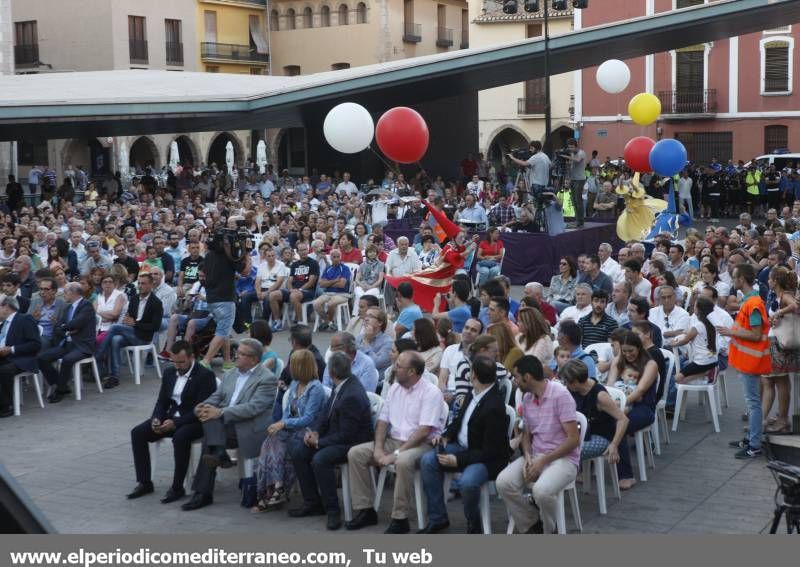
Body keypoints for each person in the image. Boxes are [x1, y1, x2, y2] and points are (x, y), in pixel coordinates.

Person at [345, 351, 444, 534]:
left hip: (420, 445)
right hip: (394, 440)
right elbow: (383, 421)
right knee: (356, 453)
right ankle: (365, 509)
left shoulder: (431, 393)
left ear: (412, 371)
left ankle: (400, 518)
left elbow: (423, 431)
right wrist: (379, 449)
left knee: (403, 461)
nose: (394, 368)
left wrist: (394, 455)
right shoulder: (394, 388)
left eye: (399, 366)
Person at [182, 339, 278, 511]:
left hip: (249, 427)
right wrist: (201, 408)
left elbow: (253, 408)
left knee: (210, 432)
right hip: (225, 426)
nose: (235, 356)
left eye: (241, 354)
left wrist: (221, 412)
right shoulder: (230, 374)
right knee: (210, 422)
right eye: (237, 352)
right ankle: (219, 454)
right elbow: (216, 398)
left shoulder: (267, 379)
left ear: (254, 360)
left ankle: (203, 493)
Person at [419, 355, 511, 534]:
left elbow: (489, 451)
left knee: (468, 482)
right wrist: (445, 436)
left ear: (473, 375)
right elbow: (460, 421)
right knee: (427, 461)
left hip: (486, 459)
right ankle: (438, 518)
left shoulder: (494, 407)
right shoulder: (474, 392)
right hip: (462, 446)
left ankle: (474, 524)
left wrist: (457, 460)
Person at [288, 352, 374, 530]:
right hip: (337, 436)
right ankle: (313, 502)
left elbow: (347, 435)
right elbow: (325, 414)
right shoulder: (341, 384)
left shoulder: (351, 395)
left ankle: (332, 510)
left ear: (331, 374)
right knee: (298, 451)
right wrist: (315, 432)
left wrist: (319, 443)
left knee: (321, 459)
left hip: (354, 442)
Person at [496, 355, 580, 534]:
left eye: (517, 377)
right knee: (503, 483)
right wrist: (527, 455)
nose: (515, 381)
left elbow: (574, 439)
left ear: (527, 377)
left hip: (563, 459)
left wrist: (543, 460)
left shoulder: (560, 395)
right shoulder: (527, 398)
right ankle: (531, 524)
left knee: (541, 491)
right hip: (536, 454)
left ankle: (549, 531)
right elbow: (527, 433)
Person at [126, 341, 217, 503]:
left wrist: (176, 423)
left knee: (181, 437)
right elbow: (162, 401)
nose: (177, 366)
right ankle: (144, 482)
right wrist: (157, 419)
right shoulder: (169, 373)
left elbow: (201, 409)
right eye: (174, 361)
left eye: (181, 362)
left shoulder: (205, 376)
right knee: (138, 432)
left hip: (194, 421)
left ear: (192, 357)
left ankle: (177, 487)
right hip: (170, 418)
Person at [252, 350, 326, 512]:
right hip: (293, 427)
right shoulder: (294, 384)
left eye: (292, 364)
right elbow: (287, 412)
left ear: (301, 367)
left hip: (308, 431)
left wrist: (284, 424)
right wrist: (280, 423)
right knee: (270, 440)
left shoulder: (315, 389)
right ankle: (273, 488)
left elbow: (308, 418)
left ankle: (278, 489)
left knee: (285, 444)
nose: (288, 368)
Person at [719, 263, 771, 459]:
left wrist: (731, 331)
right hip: (748, 360)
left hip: (751, 361)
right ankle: (751, 439)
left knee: (753, 403)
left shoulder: (753, 303)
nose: (733, 281)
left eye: (734, 277)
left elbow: (756, 335)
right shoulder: (750, 301)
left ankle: (754, 444)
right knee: (752, 402)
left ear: (742, 279)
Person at [605, 331, 659, 490]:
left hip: (643, 408)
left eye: (631, 351)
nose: (628, 354)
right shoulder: (617, 361)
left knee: (619, 425)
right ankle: (588, 465)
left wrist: (619, 406)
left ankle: (626, 474)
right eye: (624, 351)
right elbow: (610, 384)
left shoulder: (650, 364)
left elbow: (640, 391)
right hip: (619, 404)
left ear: (639, 348)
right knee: (597, 420)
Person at [95, 273, 164, 389]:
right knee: (115, 339)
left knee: (114, 327)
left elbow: (155, 326)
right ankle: (114, 377)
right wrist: (128, 319)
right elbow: (130, 316)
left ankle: (98, 355)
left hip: (144, 337)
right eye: (139, 283)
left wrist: (135, 323)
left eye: (143, 283)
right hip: (132, 333)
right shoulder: (135, 298)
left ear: (151, 285)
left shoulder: (156, 302)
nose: (140, 286)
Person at [39, 282, 97, 404]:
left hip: (82, 345)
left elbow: (77, 323)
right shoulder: (69, 307)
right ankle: (61, 384)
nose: (62, 294)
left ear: (73, 292)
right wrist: (66, 330)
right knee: (42, 358)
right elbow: (58, 326)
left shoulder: (86, 305)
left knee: (67, 359)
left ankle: (60, 391)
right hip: (68, 343)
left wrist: (65, 327)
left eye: (65, 292)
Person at [561, 359, 628, 462]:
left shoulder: (600, 396)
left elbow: (623, 420)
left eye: (566, 382)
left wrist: (614, 445)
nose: (565, 385)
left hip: (601, 436)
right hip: (582, 432)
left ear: (575, 382)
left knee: (567, 451)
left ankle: (569, 475)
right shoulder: (574, 389)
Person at [200, 229, 246, 367]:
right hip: (225, 299)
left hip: (212, 299)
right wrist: (246, 252)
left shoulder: (208, 256)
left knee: (224, 330)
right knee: (222, 331)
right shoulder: (229, 257)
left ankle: (227, 362)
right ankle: (206, 361)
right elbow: (245, 270)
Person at [762, 266, 798, 434]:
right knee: (775, 381)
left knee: (781, 382)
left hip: (781, 345)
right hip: (775, 342)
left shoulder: (785, 295)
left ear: (775, 281)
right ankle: (779, 416)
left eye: (769, 278)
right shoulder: (776, 295)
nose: (768, 281)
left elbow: (795, 306)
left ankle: (783, 419)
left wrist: (779, 313)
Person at [0, 295, 42, 418]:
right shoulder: (3, 324)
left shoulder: (24, 319)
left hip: (22, 359)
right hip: (4, 357)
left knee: (3, 371)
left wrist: (11, 349)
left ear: (6, 307)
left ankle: (6, 405)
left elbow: (35, 344)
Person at [269, 242, 319, 332]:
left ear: (307, 250)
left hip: (308, 291)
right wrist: (291, 289)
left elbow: (311, 282)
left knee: (294, 296)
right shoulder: (295, 265)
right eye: (301, 250)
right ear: (298, 252)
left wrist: (299, 289)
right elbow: (289, 281)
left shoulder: (313, 263)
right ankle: (277, 322)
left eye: (305, 250)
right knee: (273, 295)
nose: (303, 252)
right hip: (294, 290)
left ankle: (301, 323)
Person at [671, 296, 719, 384]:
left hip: (702, 361)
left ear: (699, 309)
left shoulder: (698, 326)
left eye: (695, 306)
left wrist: (674, 344)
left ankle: (706, 374)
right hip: (713, 360)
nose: (693, 307)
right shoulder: (712, 324)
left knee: (677, 379)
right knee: (681, 378)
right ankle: (707, 373)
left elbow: (685, 340)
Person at [313, 249, 351, 332]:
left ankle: (326, 323)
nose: (336, 259)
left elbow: (341, 285)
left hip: (342, 294)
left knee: (331, 303)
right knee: (316, 304)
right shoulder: (328, 269)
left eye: (338, 257)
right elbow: (321, 284)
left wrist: (328, 283)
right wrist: (335, 281)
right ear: (331, 258)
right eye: (334, 257)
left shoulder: (345, 268)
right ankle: (329, 323)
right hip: (328, 293)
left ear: (340, 257)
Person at [28, 277, 66, 350]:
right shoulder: (35, 302)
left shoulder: (62, 306)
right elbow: (26, 323)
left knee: (38, 342)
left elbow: (65, 327)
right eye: (41, 289)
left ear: (54, 291)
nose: (42, 292)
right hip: (33, 335)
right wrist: (34, 319)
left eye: (46, 289)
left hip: (48, 338)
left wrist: (56, 323)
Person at [357, 308, 393, 380]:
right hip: (357, 376)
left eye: (370, 316)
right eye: (366, 316)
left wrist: (366, 342)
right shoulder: (359, 338)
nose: (366, 319)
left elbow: (375, 364)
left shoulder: (388, 342)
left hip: (375, 382)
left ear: (380, 323)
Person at [352, 244, 384, 316]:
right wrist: (361, 285)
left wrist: (371, 286)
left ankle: (361, 314)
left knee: (365, 296)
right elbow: (357, 279)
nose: (372, 254)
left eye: (373, 252)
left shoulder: (381, 264)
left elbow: (380, 279)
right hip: (362, 285)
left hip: (374, 286)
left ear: (376, 252)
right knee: (359, 293)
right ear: (366, 254)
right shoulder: (362, 265)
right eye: (370, 252)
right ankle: (357, 315)